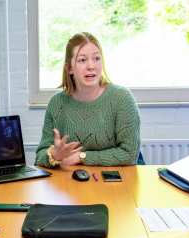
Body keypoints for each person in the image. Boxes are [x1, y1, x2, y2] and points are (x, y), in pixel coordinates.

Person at [35, 32, 141, 168]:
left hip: (116, 182)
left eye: (96, 58)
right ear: (69, 68)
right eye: (82, 60)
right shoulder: (56, 103)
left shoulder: (122, 98)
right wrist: (54, 155)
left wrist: (81, 157)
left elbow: (130, 154)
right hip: (71, 181)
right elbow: (39, 157)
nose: (91, 66)